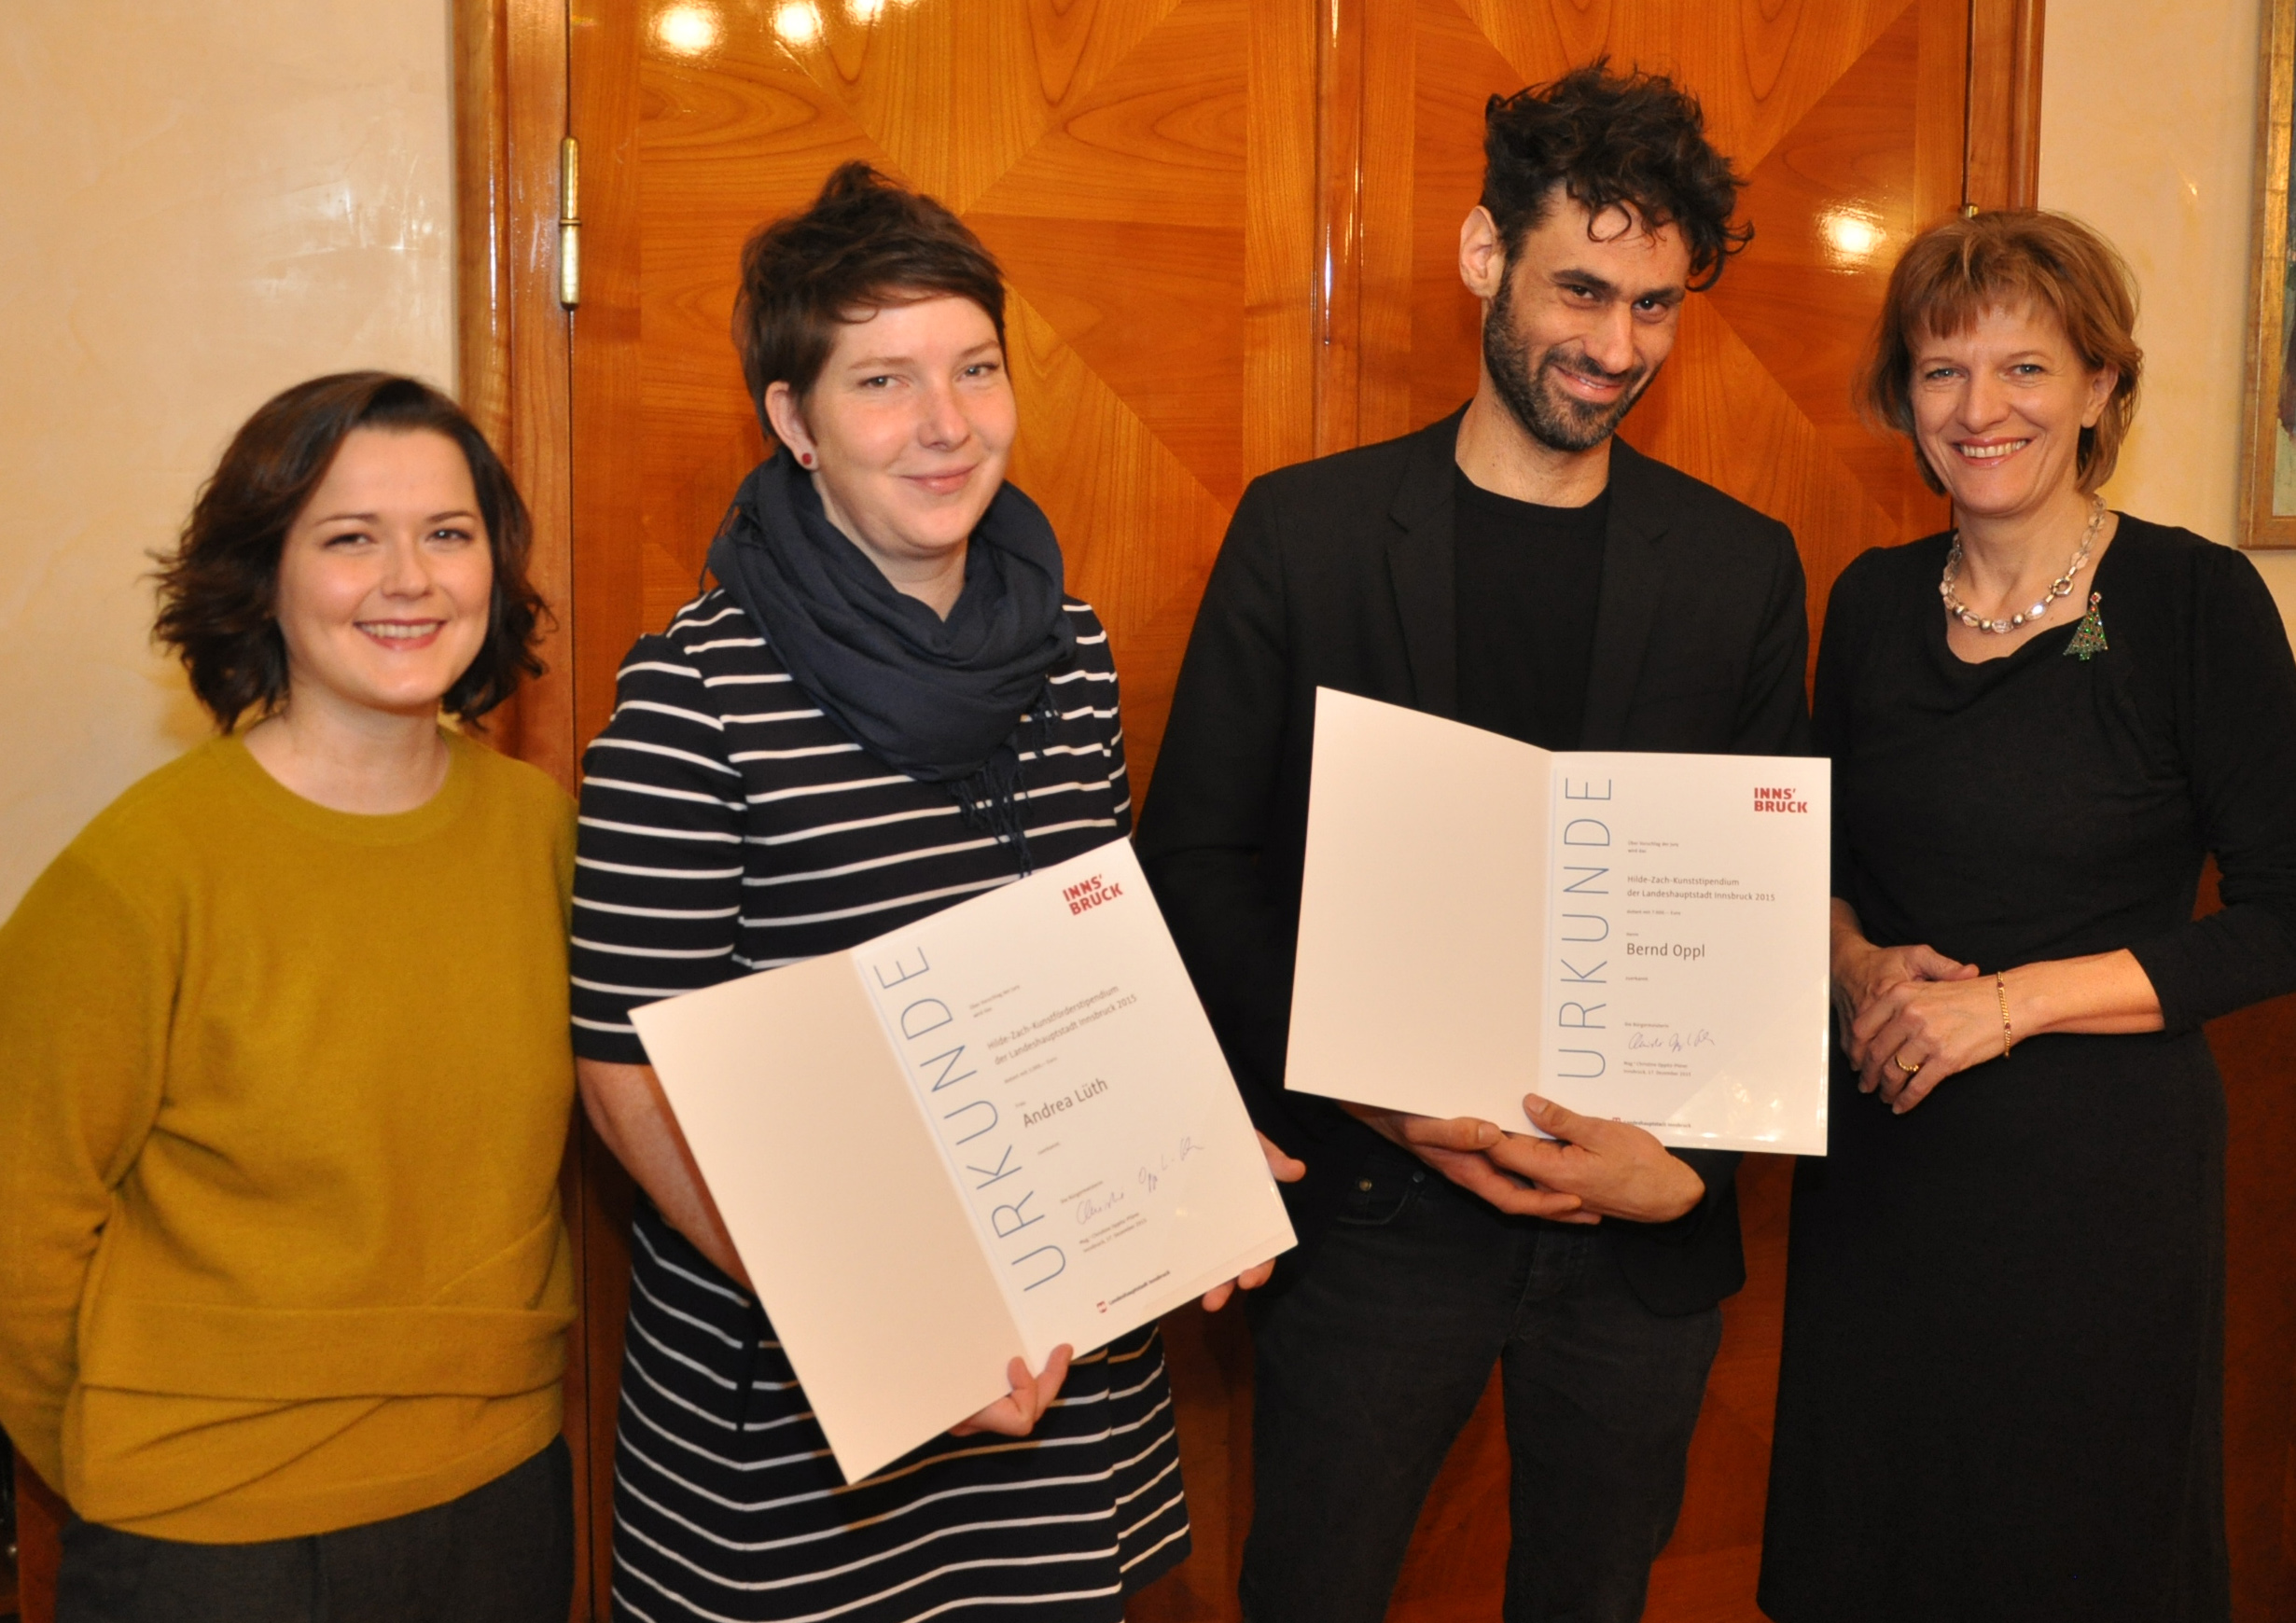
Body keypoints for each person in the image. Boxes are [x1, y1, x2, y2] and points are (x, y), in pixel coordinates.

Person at [569, 162, 1292, 1623]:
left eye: (973, 368)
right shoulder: (692, 691)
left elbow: (1097, 978)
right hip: (805, 1413)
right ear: (794, 423)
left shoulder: (1070, 651)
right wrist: (887, 1326)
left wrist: (1187, 1168)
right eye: (883, 381)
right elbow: (625, 1080)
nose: (946, 423)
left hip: (1056, 1375)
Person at [1135, 62, 1811, 1623]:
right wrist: (1378, 1095)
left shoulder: (1736, 570)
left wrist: (1680, 1173)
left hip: (1636, 1234)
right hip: (1376, 1221)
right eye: (1582, 286)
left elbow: (1759, 914)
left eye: (1654, 305)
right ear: (1481, 255)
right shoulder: (1302, 534)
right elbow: (1196, 868)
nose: (1614, 344)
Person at [1758, 211, 2296, 1623]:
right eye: (1941, 371)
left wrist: (2002, 1002)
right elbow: (1799, 858)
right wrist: (1859, 960)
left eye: (2024, 369)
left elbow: (2283, 914)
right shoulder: (1868, 603)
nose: (1979, 409)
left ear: (2101, 386)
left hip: (2097, 1200)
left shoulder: (2188, 602)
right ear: (1905, 399)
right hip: (1884, 1171)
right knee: (1874, 1558)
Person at [0, 372, 577, 1622]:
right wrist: (134, 1459)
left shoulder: (547, 835)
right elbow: (17, 1226)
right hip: (212, 1539)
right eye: (350, 538)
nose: (409, 580)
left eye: (447, 533)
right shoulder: (137, 874)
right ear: (264, 575)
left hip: (503, 1500)